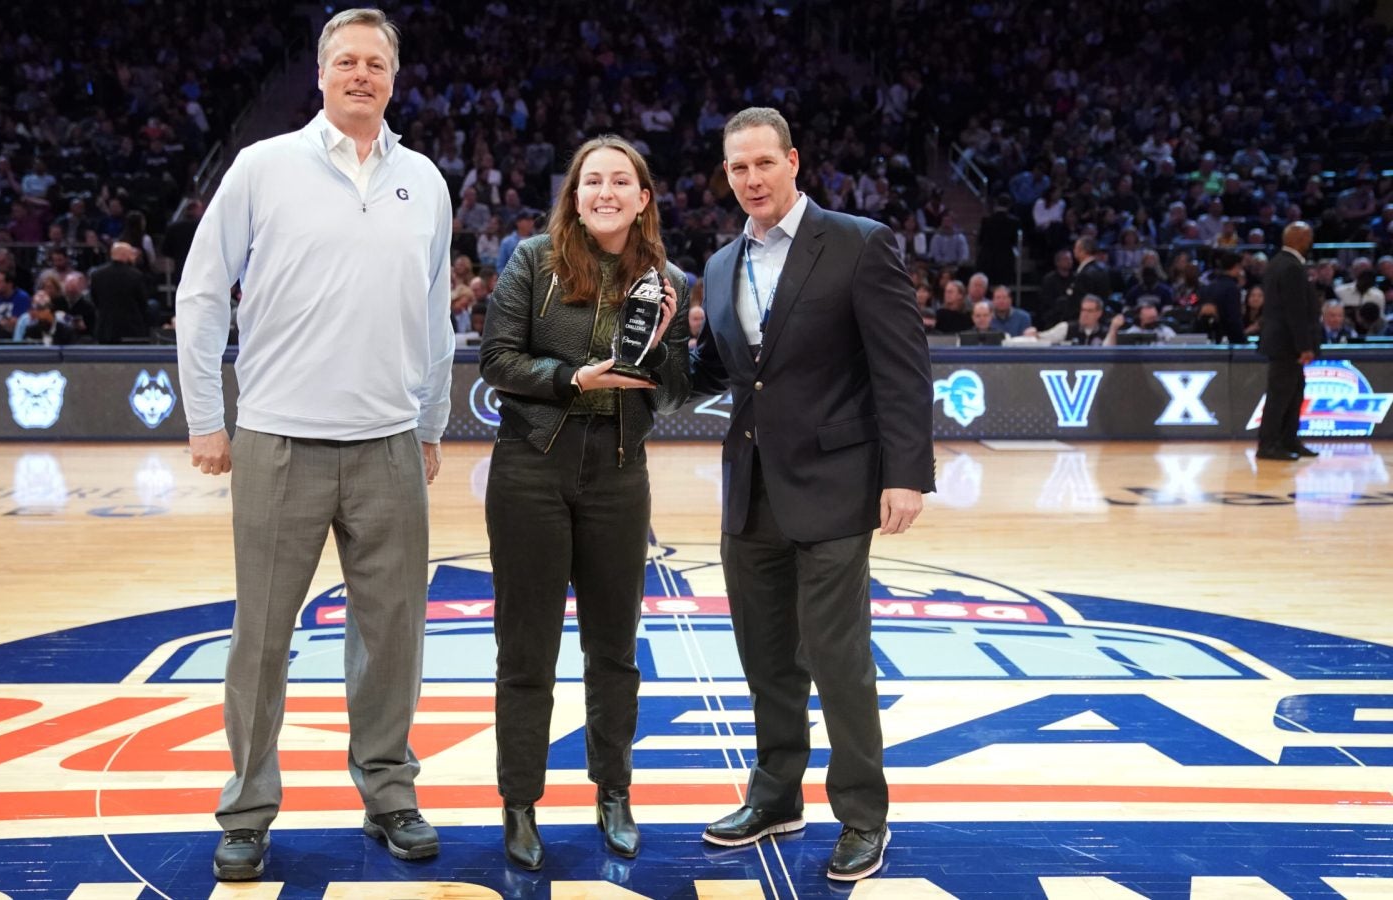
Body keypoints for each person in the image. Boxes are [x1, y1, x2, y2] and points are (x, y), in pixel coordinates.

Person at [174, 8, 454, 881]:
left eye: (376, 62)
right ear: (320, 73)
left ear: (394, 78)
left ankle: (389, 792)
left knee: (394, 634)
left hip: (387, 444)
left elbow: (436, 315)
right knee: (260, 636)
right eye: (346, 60)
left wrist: (434, 422)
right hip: (277, 441)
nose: (361, 74)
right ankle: (248, 808)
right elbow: (201, 292)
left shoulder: (426, 181)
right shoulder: (263, 167)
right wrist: (205, 418)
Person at [689, 108, 934, 883]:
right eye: (738, 169)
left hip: (836, 484)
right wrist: (648, 344)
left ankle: (863, 815)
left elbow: (902, 367)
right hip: (750, 490)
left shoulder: (859, 242)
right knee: (767, 661)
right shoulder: (722, 264)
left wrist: (907, 473)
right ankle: (775, 796)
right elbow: (717, 371)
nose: (752, 179)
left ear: (794, 161)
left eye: (764, 163)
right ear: (726, 177)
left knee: (837, 658)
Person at [479, 134, 688, 872]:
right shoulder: (532, 260)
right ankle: (519, 802)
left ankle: (614, 792)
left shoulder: (670, 280)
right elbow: (496, 360)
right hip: (531, 471)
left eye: (619, 181)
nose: (605, 191)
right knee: (526, 650)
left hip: (619, 474)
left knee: (614, 651)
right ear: (575, 194)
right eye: (591, 180)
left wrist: (663, 341)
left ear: (642, 198)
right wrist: (575, 379)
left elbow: (681, 391)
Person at [1256, 222, 1321, 461]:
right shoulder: (1291, 266)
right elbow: (1295, 310)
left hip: (1283, 341)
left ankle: (1288, 439)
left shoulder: (1278, 263)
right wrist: (1304, 346)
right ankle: (1269, 444)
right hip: (1287, 343)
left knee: (1294, 392)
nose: (1310, 242)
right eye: (1309, 237)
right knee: (1281, 394)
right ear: (1299, 238)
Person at [89, 242, 151, 343]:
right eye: (131, 254)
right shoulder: (136, 275)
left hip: (105, 329)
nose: (134, 257)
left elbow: (95, 300)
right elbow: (143, 303)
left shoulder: (96, 275)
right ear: (124, 255)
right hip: (131, 329)